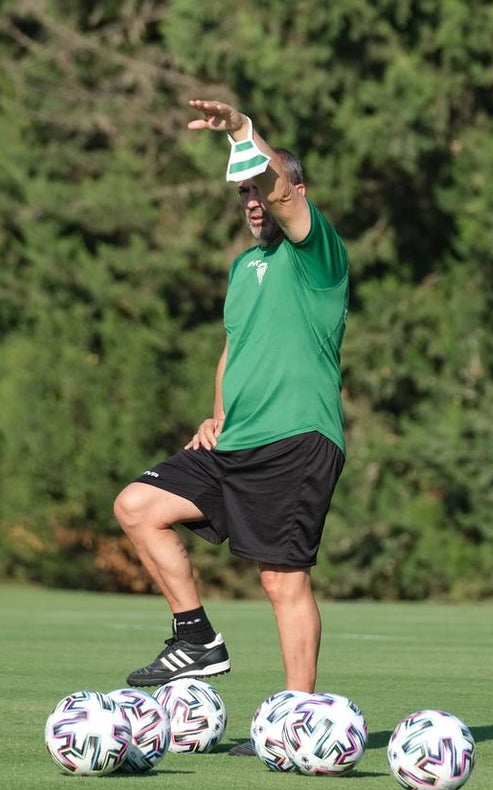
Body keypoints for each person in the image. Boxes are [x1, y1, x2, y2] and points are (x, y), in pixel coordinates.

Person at [113, 99, 349, 704]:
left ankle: (298, 719)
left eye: (260, 190)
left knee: (281, 580)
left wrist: (243, 133)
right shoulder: (244, 267)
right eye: (243, 192)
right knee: (138, 505)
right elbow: (233, 348)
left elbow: (281, 194)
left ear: (294, 192)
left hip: (296, 437)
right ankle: (196, 638)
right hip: (234, 442)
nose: (253, 201)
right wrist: (217, 415)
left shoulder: (317, 256)